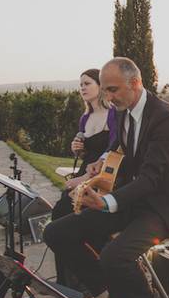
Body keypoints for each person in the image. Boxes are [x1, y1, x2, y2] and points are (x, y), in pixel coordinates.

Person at [43, 57, 169, 298]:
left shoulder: (165, 119)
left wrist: (106, 202)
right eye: (106, 90)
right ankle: (118, 293)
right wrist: (102, 163)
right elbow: (120, 148)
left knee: (114, 256)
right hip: (134, 200)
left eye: (112, 90)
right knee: (57, 232)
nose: (107, 97)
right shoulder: (124, 109)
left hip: (162, 208)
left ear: (135, 83)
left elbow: (152, 179)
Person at [49, 68, 119, 221]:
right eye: (80, 85)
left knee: (66, 211)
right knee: (62, 209)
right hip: (85, 170)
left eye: (87, 83)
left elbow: (115, 148)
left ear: (100, 85)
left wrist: (85, 178)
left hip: (103, 175)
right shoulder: (85, 118)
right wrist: (77, 150)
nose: (82, 88)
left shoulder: (113, 113)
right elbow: (86, 154)